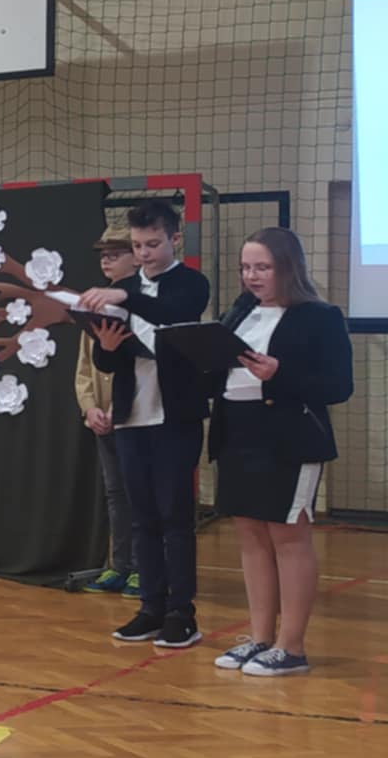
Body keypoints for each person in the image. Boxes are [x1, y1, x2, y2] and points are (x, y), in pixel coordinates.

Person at [205, 228, 352, 677]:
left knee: (288, 536)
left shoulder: (320, 316)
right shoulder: (239, 314)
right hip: (238, 433)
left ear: (288, 267)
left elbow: (338, 386)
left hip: (289, 438)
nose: (252, 276)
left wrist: (278, 373)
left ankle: (292, 646)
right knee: (250, 535)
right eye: (246, 267)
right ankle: (260, 637)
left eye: (262, 267)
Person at [81, 200, 211, 649]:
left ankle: (181, 613)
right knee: (143, 517)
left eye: (152, 244)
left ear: (175, 239)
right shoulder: (125, 288)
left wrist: (125, 296)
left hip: (175, 415)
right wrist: (106, 345)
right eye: (137, 246)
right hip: (131, 416)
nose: (144, 254)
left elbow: (171, 314)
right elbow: (106, 362)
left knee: (176, 516)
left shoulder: (191, 283)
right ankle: (150, 608)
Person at [76, 228, 141, 597]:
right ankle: (120, 565)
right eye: (103, 254)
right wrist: (90, 409)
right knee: (116, 493)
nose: (106, 260)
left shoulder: (144, 303)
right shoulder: (93, 307)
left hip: (135, 415)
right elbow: (84, 369)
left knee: (141, 494)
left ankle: (145, 568)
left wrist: (122, 405)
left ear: (136, 257)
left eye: (116, 253)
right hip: (103, 418)